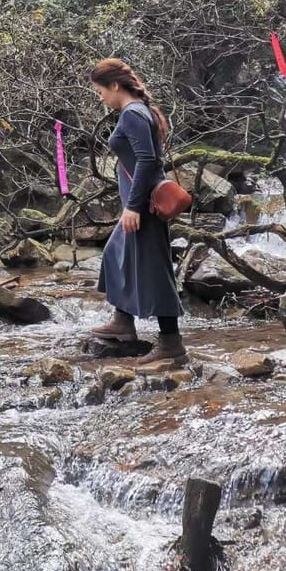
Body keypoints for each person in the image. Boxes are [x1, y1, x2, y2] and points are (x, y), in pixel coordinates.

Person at [87, 58, 186, 365]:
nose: (101, 98)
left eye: (101, 91)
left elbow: (147, 160)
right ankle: (123, 321)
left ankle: (171, 342)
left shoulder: (132, 114)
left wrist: (132, 207)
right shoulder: (138, 111)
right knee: (116, 254)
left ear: (115, 85)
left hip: (144, 207)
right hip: (140, 204)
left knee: (155, 270)